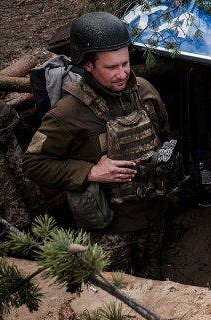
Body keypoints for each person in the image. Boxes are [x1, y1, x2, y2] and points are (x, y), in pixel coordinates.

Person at [22, 11, 175, 280]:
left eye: (125, 63)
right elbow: (33, 164)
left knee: (153, 280)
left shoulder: (147, 91)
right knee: (115, 295)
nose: (122, 74)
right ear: (88, 65)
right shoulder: (68, 113)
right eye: (111, 67)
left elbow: (164, 135)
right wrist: (90, 171)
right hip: (109, 231)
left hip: (155, 215)